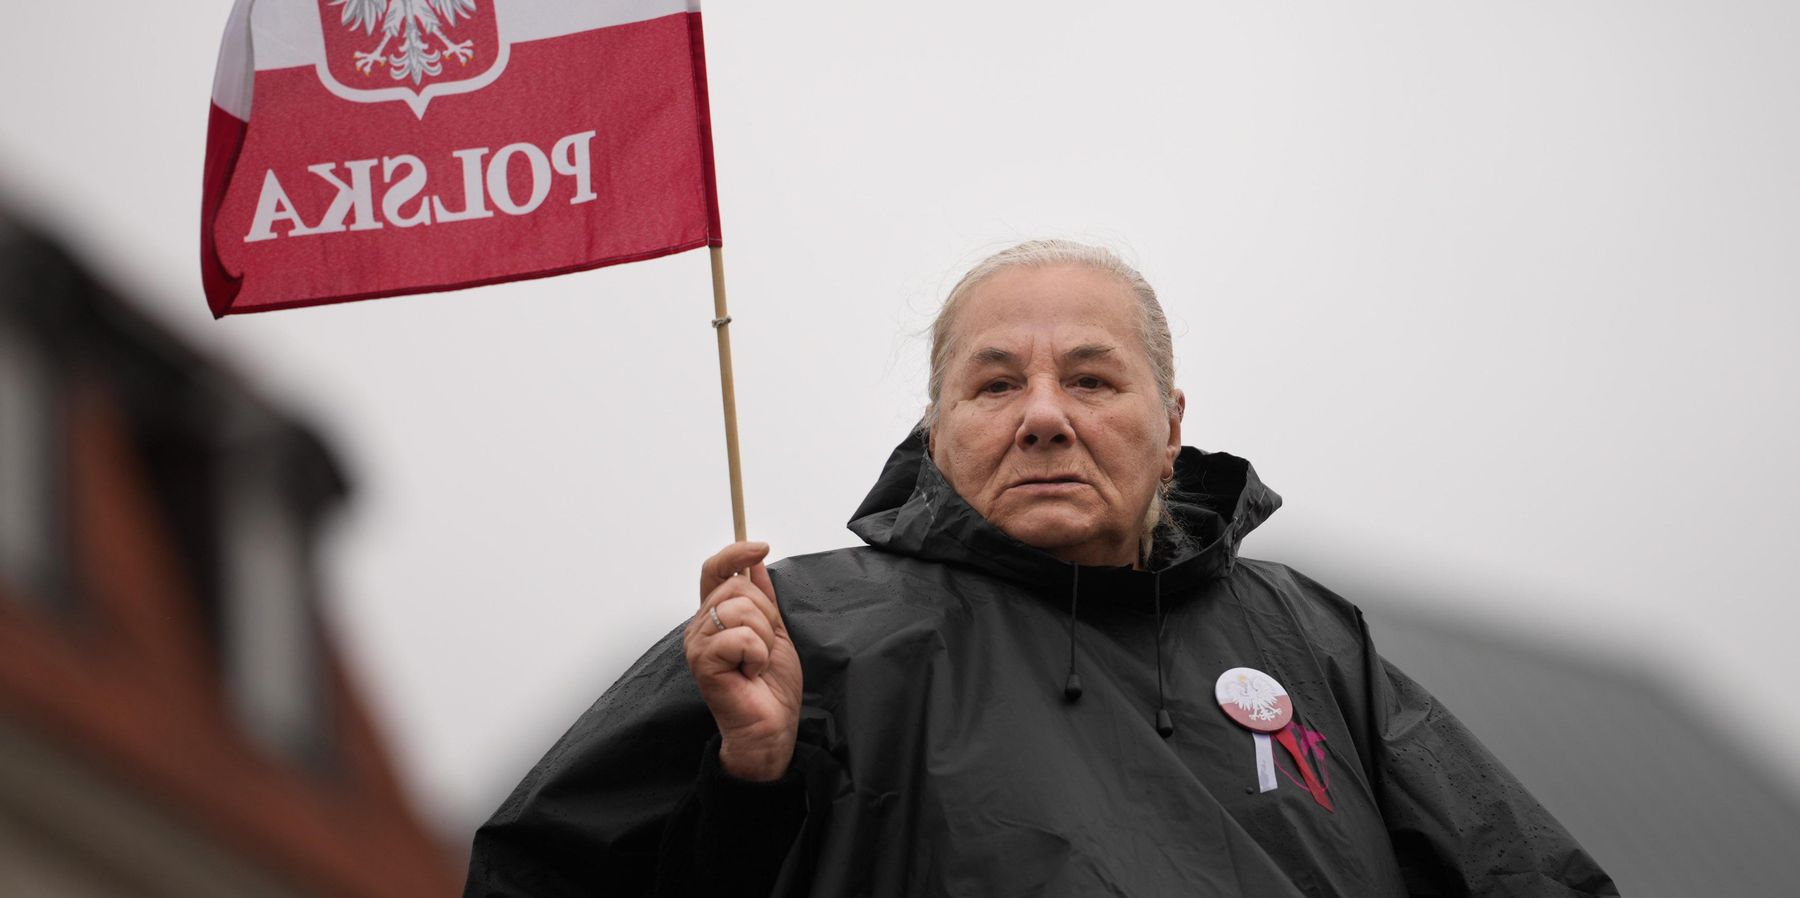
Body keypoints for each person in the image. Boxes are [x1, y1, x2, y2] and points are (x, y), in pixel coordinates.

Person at [464, 240, 1618, 897]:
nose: (1046, 417)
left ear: (1171, 424)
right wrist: (748, 786)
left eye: (1093, 378)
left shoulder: (1309, 643)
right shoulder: (794, 638)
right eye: (997, 381)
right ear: (938, 427)